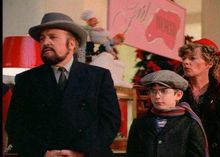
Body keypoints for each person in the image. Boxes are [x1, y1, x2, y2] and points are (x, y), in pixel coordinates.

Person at [5, 12, 121, 157]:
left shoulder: (99, 77)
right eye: (42, 39)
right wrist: (44, 152)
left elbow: (109, 121)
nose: (45, 42)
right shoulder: (26, 80)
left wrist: (80, 152)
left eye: (52, 37)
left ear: (71, 44)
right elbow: (15, 126)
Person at [126, 70, 209, 157]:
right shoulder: (139, 124)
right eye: (153, 91)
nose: (157, 96)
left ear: (178, 95)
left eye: (163, 91)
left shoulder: (189, 124)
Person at [178, 38, 220, 157]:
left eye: (192, 58)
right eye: (184, 58)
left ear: (210, 63)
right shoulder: (174, 95)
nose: (185, 62)